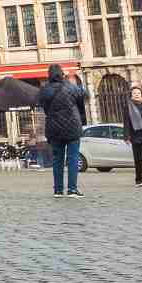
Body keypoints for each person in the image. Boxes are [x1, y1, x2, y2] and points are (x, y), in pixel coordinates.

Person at [37, 63, 87, 197]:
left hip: (54, 128)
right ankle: (72, 189)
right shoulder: (71, 87)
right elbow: (83, 97)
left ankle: (58, 190)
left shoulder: (44, 90)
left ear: (49, 75)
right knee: (72, 158)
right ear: (62, 74)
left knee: (57, 159)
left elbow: (44, 107)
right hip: (73, 127)